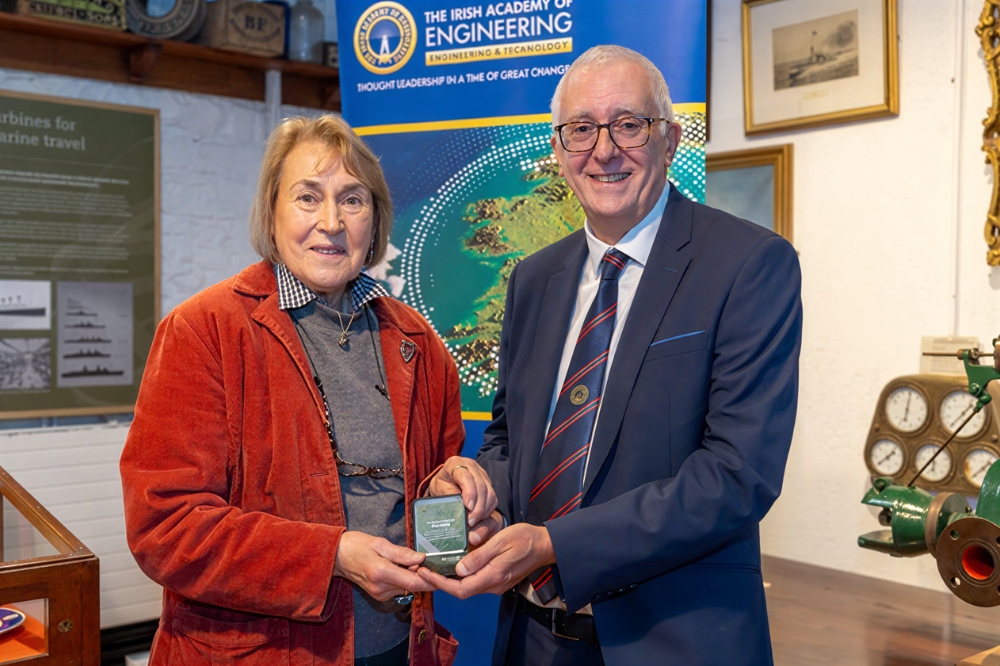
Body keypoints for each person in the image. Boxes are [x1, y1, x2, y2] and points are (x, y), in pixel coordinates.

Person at [420, 45, 803, 666]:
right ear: (558, 149)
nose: (604, 150)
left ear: (671, 138)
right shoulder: (533, 279)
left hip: (676, 641)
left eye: (629, 124)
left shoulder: (747, 264)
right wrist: (478, 485)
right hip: (532, 640)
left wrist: (553, 545)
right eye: (581, 129)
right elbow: (512, 440)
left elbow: (738, 475)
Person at [120, 115, 497, 666]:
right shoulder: (204, 332)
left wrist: (452, 482)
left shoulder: (417, 340)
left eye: (352, 199)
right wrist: (333, 556)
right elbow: (166, 526)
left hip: (398, 648)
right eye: (307, 197)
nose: (331, 222)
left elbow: (429, 481)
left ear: (375, 220)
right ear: (271, 214)